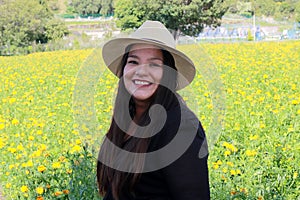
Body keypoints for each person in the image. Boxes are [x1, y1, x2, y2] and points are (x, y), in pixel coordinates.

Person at [97, 20, 210, 200]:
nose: (141, 72)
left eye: (154, 64)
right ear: (124, 69)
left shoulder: (181, 129)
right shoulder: (130, 117)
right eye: (134, 61)